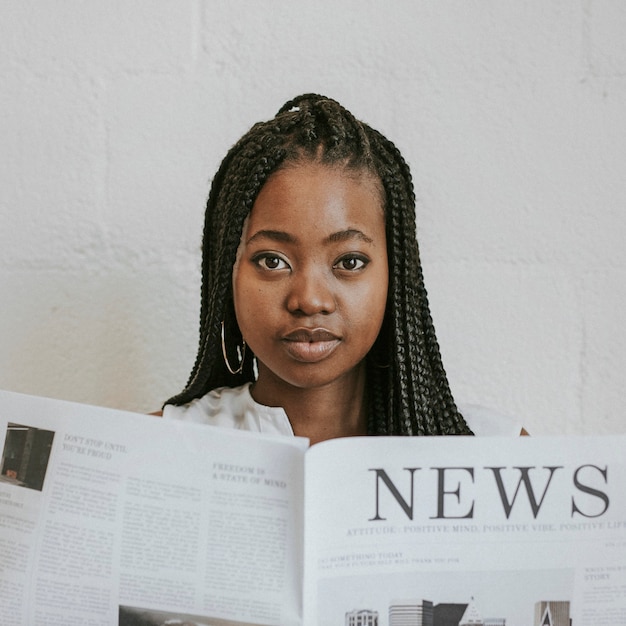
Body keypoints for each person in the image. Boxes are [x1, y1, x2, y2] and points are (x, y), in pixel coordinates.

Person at [162, 93, 523, 442]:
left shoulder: (497, 456)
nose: (310, 299)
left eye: (349, 262)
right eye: (272, 261)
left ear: (395, 277)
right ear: (229, 271)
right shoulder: (153, 450)